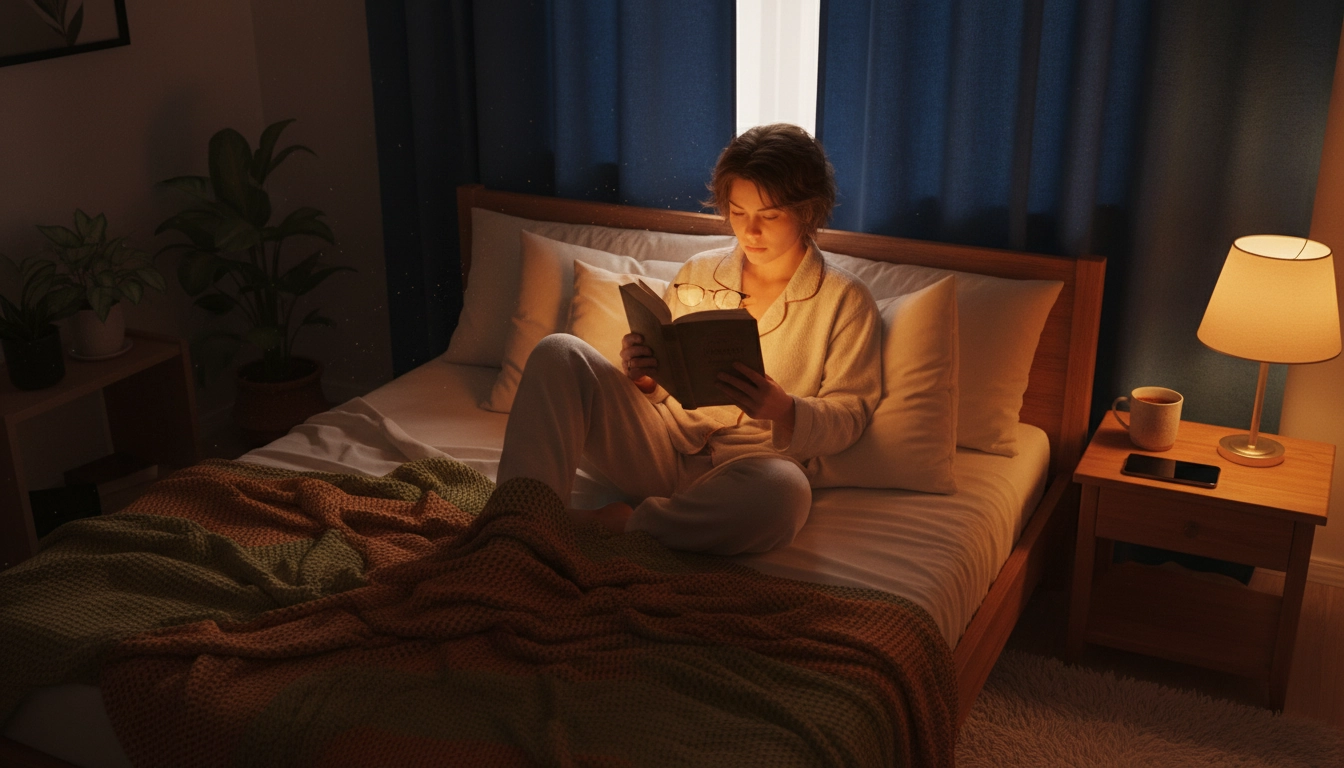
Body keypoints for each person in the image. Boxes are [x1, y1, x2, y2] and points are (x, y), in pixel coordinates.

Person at [496, 123, 882, 555]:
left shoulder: (844, 299)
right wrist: (645, 376)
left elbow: (852, 413)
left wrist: (786, 410)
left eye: (770, 216)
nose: (750, 232)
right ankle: (520, 520)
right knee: (559, 351)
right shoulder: (700, 271)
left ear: (809, 211)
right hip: (660, 446)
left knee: (785, 496)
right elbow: (668, 377)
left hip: (752, 467)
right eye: (738, 213)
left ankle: (625, 525)